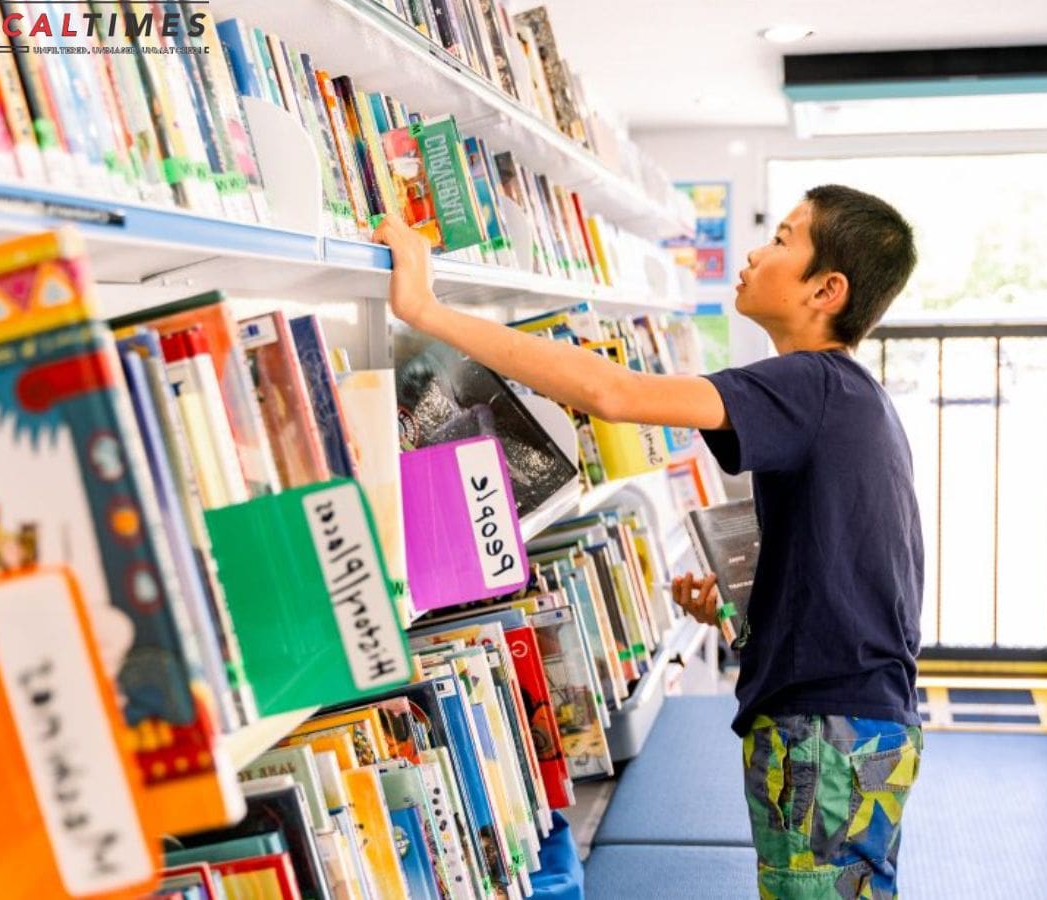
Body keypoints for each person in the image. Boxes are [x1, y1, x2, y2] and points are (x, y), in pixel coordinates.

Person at [375, 183, 924, 899]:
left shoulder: (810, 384)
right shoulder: (846, 394)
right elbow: (849, 571)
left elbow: (612, 393)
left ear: (827, 289)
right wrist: (743, 612)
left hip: (827, 731)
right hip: (847, 719)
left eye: (784, 239)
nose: (756, 251)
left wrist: (425, 311)